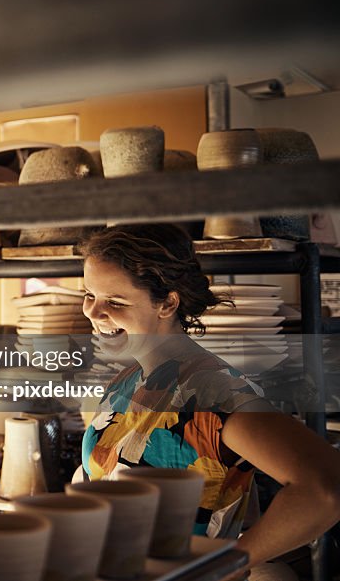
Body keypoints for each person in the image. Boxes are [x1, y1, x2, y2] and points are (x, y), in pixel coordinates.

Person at [79, 223, 340, 574]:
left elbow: (325, 489)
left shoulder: (214, 393)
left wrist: (232, 562)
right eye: (89, 295)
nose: (93, 313)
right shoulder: (124, 381)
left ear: (167, 303)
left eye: (115, 301)